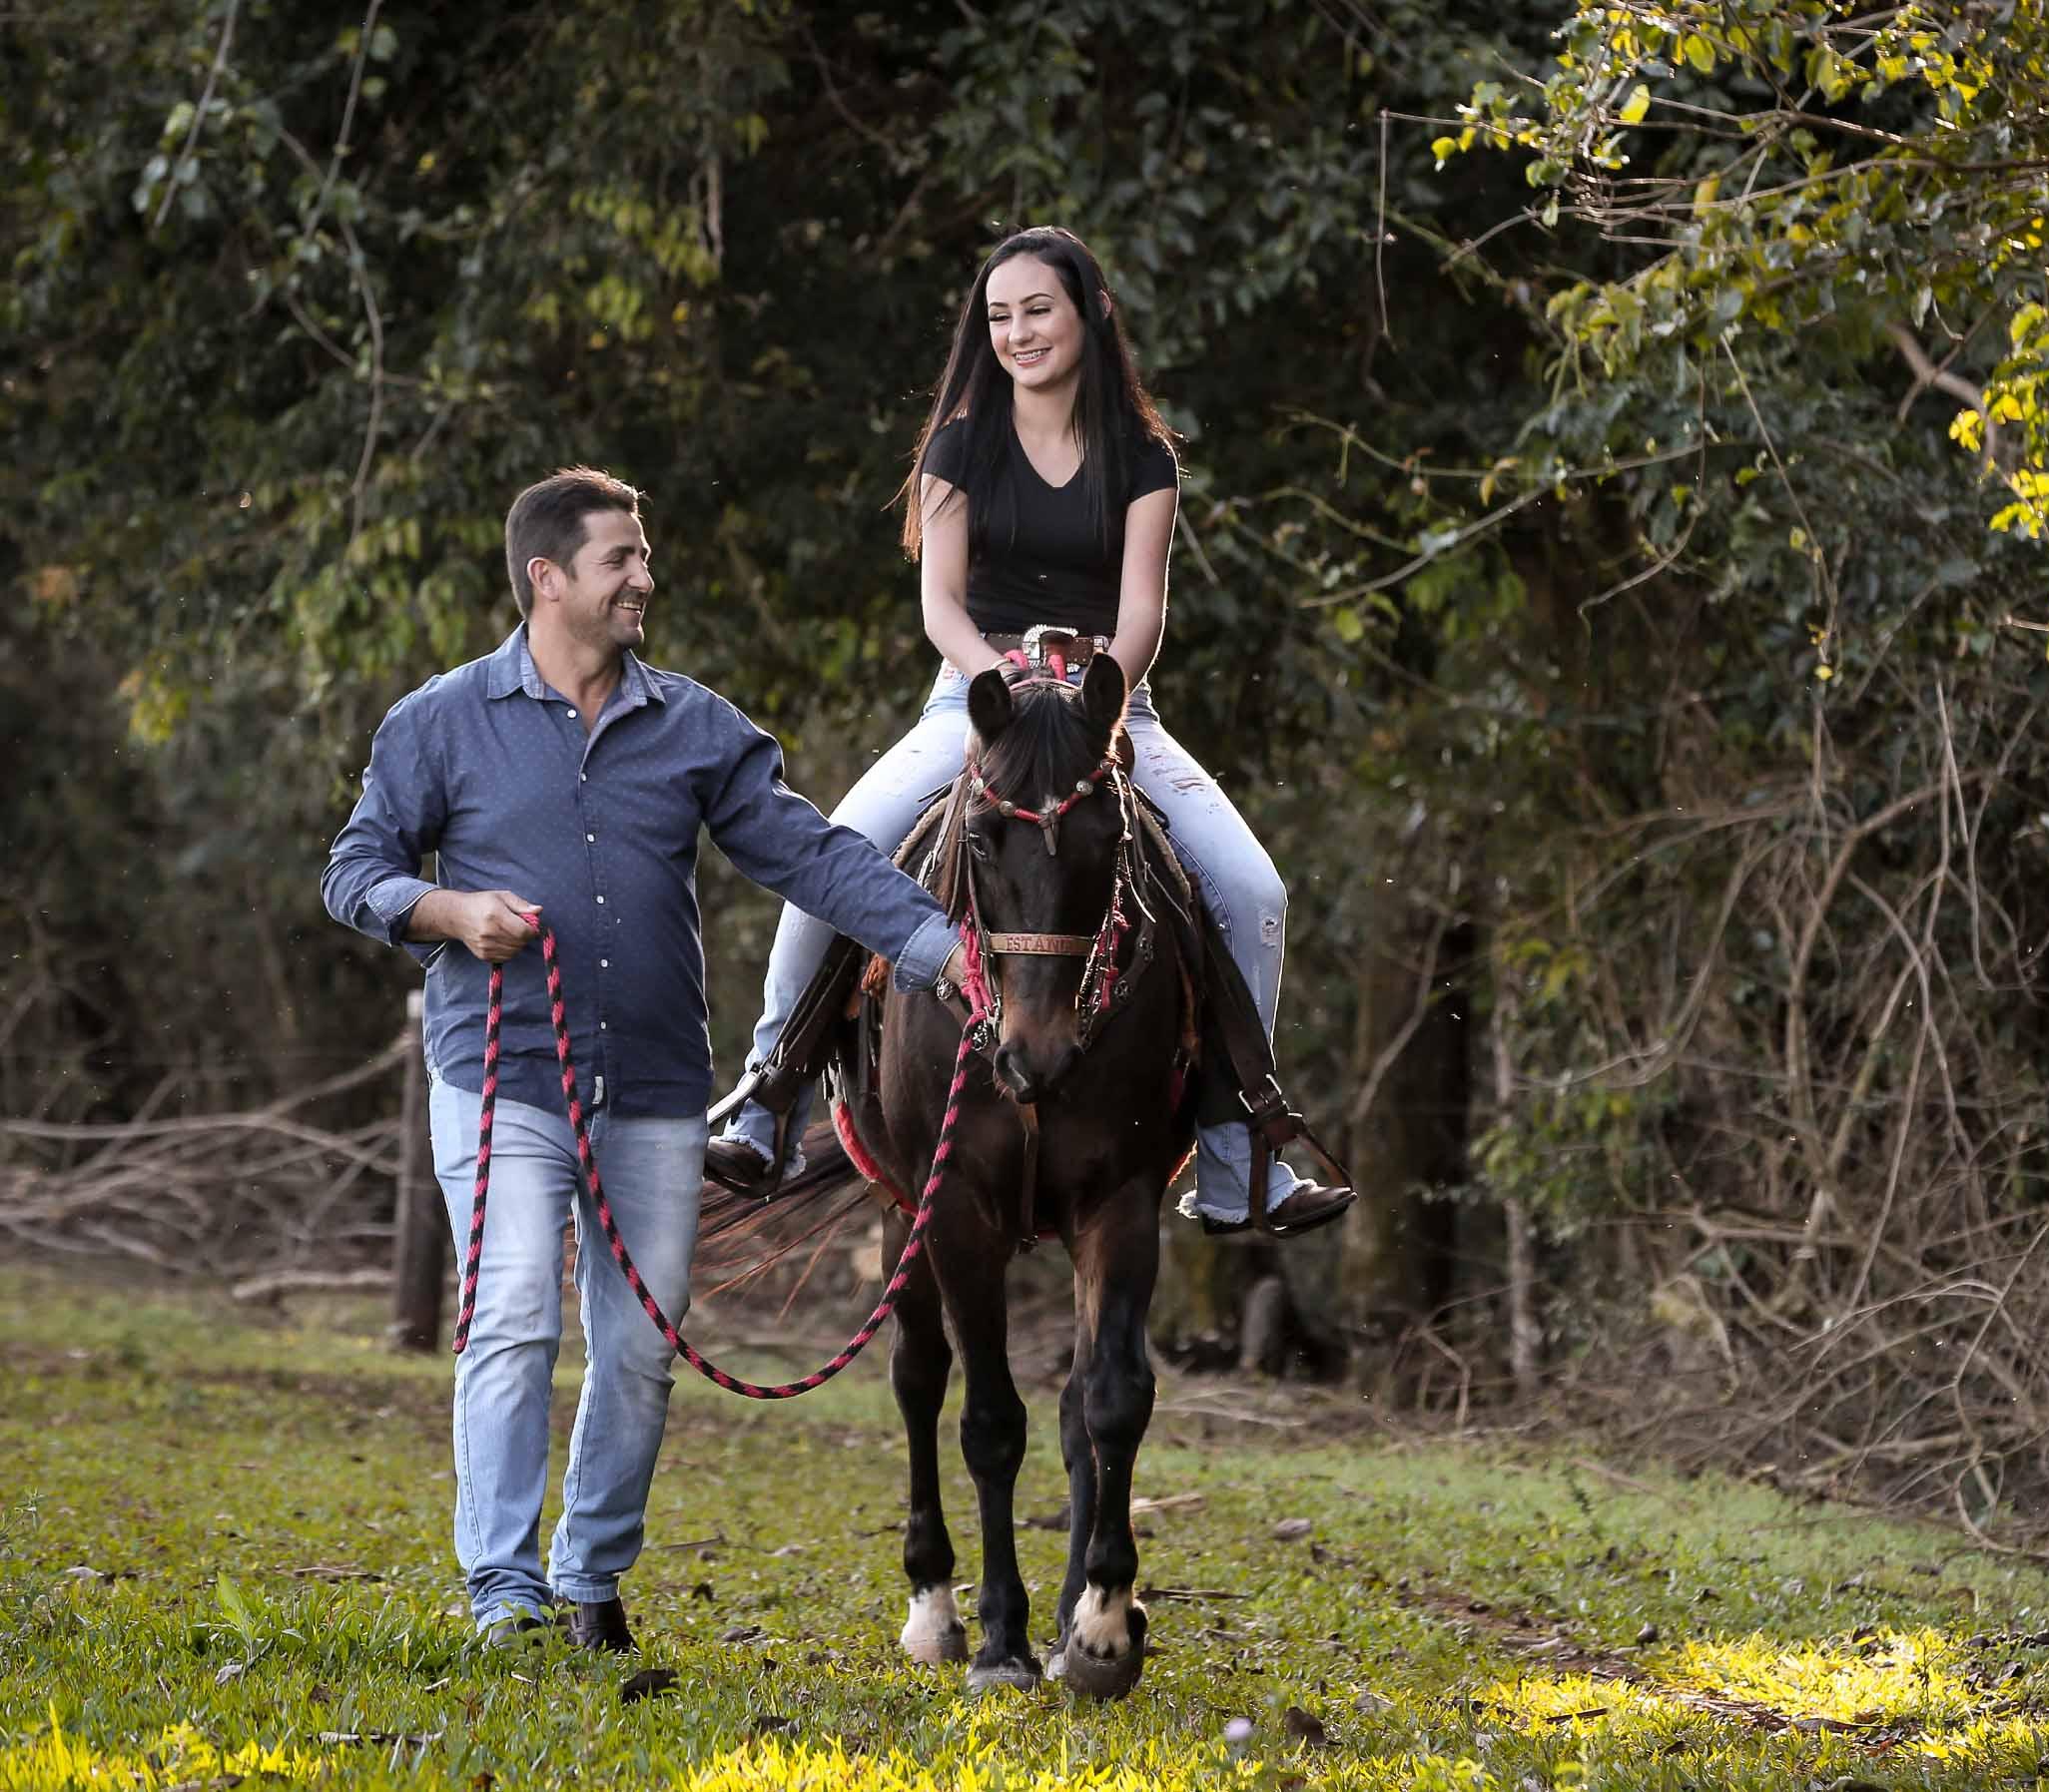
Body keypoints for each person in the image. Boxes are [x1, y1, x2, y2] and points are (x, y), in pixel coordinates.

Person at [322, 467, 967, 1651]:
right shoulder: (439, 721)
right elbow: (354, 871)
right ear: (547, 578)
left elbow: (808, 853)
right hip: (502, 1075)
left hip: (658, 1085)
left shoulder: (695, 727)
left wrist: (940, 948)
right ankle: (503, 1592)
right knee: (513, 1318)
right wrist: (448, 911)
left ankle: (588, 1578)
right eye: (620, 559)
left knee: (639, 1348)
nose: (643, 579)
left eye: (644, 557)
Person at [706, 225, 1353, 1240]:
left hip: (1107, 704)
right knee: (840, 852)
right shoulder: (960, 446)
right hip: (978, 699)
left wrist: (1100, 700)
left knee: (1251, 890)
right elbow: (940, 604)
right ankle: (767, 1095)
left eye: (1038, 309)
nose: (1018, 332)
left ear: (1090, 312)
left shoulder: (1144, 457)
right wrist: (995, 679)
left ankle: (1241, 1159)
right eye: (1000, 316)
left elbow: (1142, 612)